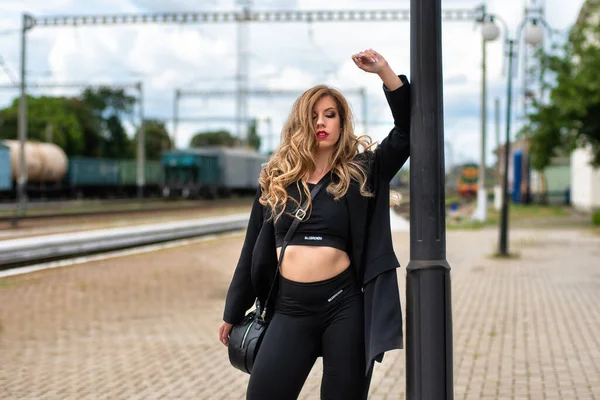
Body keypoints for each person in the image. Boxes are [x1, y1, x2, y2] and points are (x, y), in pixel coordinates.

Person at [219, 48, 410, 400]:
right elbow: (251, 249)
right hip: (289, 308)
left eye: (330, 115)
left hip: (344, 305)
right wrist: (233, 312)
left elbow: (406, 133)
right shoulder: (276, 178)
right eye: (314, 116)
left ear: (341, 123)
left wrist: (384, 71)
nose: (322, 122)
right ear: (301, 123)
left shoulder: (361, 171)